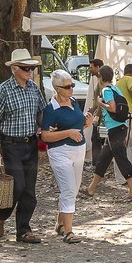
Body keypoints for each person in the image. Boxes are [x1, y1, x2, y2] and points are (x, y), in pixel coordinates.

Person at [0, 49, 47, 243]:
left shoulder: (34, 88)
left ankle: (23, 230)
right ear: (14, 69)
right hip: (11, 144)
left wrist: (48, 126)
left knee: (29, 190)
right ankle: (0, 216)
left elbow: (41, 112)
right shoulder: (3, 90)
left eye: (31, 67)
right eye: (25, 68)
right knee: (17, 186)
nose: (29, 71)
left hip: (30, 143)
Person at [40, 68, 91, 243]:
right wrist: (68, 133)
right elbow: (45, 136)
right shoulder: (51, 109)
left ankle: (60, 223)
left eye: (72, 85)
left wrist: (86, 123)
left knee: (74, 190)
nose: (71, 89)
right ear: (57, 88)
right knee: (68, 189)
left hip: (78, 149)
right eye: (67, 86)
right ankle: (69, 232)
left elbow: (76, 126)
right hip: (60, 151)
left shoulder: (74, 102)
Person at [84, 65, 132, 201]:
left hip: (115, 129)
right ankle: (91, 189)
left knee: (121, 159)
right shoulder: (116, 89)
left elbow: (113, 108)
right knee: (103, 159)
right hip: (119, 127)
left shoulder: (106, 90)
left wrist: (99, 103)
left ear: (100, 77)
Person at [86, 58, 105, 166]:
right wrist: (92, 109)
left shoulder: (102, 83)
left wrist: (97, 117)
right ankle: (99, 163)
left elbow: (102, 101)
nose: (90, 70)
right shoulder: (99, 81)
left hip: (101, 115)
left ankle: (97, 164)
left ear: (98, 67)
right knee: (97, 139)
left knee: (96, 139)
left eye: (91, 67)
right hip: (97, 113)